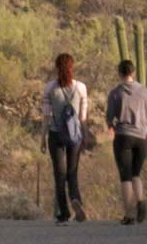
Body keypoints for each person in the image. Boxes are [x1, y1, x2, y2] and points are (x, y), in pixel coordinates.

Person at [42, 53, 90, 223]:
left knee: (59, 176)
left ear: (56, 68)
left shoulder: (49, 88)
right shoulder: (81, 88)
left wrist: (42, 138)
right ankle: (76, 199)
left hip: (56, 135)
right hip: (75, 135)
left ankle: (64, 214)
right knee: (72, 173)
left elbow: (46, 116)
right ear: (72, 67)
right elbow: (83, 117)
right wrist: (85, 136)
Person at [105, 59, 147, 225]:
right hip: (142, 138)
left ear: (120, 73)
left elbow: (110, 117)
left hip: (123, 136)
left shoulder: (116, 92)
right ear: (133, 72)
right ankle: (140, 201)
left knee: (125, 176)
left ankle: (129, 214)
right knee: (136, 174)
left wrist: (111, 125)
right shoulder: (145, 91)